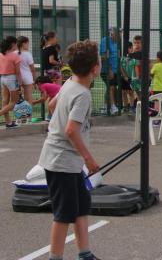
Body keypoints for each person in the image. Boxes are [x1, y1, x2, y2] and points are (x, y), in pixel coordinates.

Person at [37, 40, 101, 260]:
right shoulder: (82, 94)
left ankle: (85, 254)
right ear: (95, 68)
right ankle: (55, 258)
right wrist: (89, 158)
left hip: (68, 162)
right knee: (64, 214)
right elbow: (71, 130)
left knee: (82, 207)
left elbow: (52, 105)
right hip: (61, 161)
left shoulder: (70, 83)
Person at [0, 36, 23, 128]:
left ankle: (8, 123)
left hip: (2, 79)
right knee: (14, 101)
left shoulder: (1, 54)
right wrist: (20, 83)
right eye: (16, 43)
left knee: (5, 100)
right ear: (12, 44)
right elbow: (18, 72)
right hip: (11, 78)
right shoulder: (15, 55)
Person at [100, 27, 120, 115]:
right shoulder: (105, 40)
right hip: (106, 70)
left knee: (112, 87)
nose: (119, 35)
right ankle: (112, 106)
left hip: (116, 70)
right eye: (118, 33)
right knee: (111, 87)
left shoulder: (117, 42)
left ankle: (105, 106)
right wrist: (110, 69)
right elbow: (104, 56)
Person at [119, 42, 139, 113]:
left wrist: (136, 78)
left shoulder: (134, 58)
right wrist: (124, 76)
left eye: (130, 48)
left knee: (131, 92)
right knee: (124, 92)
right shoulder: (122, 58)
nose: (128, 50)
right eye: (127, 48)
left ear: (131, 49)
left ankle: (132, 106)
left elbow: (136, 68)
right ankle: (125, 107)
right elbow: (120, 67)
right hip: (124, 78)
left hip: (132, 78)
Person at [17, 36, 36, 107]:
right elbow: (33, 69)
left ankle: (21, 117)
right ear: (23, 44)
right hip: (27, 78)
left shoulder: (14, 53)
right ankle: (29, 117)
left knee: (18, 99)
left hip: (17, 77)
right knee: (28, 98)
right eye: (28, 43)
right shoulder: (28, 54)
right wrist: (34, 80)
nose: (28, 45)